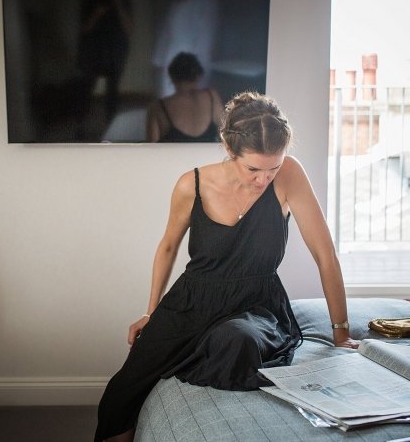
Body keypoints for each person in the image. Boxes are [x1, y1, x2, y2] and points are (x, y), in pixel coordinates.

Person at [95, 92, 359, 442]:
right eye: (253, 169)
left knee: (236, 343)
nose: (264, 180)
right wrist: (151, 312)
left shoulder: (291, 175)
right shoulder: (192, 184)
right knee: (119, 394)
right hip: (192, 300)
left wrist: (341, 332)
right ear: (228, 147)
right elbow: (169, 246)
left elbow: (325, 255)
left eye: (273, 168)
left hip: (256, 302)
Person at [146, 52, 224, 142]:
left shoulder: (157, 108)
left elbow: (151, 149)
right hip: (207, 156)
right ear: (199, 75)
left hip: (173, 156)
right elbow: (227, 136)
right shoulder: (212, 97)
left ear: (172, 77)